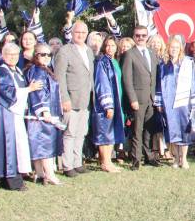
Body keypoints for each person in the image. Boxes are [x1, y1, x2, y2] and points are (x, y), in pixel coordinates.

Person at [0, 43, 42, 191]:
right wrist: (29, 89)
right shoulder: (2, 71)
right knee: (9, 146)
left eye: (15, 54)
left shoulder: (18, 70)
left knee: (19, 145)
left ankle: (18, 174)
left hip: (18, 114)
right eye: (9, 54)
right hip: (8, 113)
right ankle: (11, 179)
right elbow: (7, 93)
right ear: (3, 55)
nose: (12, 57)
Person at [53, 21, 95, 177]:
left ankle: (77, 163)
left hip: (85, 99)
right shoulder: (64, 51)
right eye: (78, 32)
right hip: (71, 98)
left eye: (84, 33)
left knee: (81, 133)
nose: (81, 35)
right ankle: (67, 165)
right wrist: (64, 98)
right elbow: (59, 78)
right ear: (72, 32)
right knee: (69, 134)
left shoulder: (89, 51)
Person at [156, 38, 195, 169]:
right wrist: (159, 101)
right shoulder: (163, 64)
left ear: (181, 48)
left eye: (177, 47)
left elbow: (193, 81)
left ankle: (184, 159)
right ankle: (176, 159)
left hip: (184, 101)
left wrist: (194, 101)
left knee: (184, 130)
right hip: (169, 101)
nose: (174, 49)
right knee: (172, 130)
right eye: (172, 47)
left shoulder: (188, 62)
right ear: (168, 48)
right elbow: (159, 84)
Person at [122, 26, 162, 170]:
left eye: (143, 35)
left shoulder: (152, 53)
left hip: (151, 99)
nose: (140, 38)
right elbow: (127, 79)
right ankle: (136, 159)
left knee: (148, 130)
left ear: (147, 36)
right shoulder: (129, 54)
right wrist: (132, 99)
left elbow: (155, 76)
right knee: (137, 130)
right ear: (134, 36)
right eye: (137, 35)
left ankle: (149, 156)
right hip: (137, 99)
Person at [25, 44, 64, 185]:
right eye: (42, 54)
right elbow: (39, 92)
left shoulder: (44, 69)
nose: (46, 57)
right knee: (45, 143)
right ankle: (49, 174)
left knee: (38, 143)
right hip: (42, 114)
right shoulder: (37, 71)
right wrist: (44, 111)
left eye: (49, 55)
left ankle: (40, 174)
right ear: (36, 55)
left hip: (43, 113)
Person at [92, 36, 125, 173]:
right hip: (105, 103)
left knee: (111, 133)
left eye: (113, 45)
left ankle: (109, 161)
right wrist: (107, 105)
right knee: (104, 133)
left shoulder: (114, 62)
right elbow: (102, 83)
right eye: (108, 45)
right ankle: (105, 162)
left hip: (116, 102)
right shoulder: (102, 62)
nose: (110, 48)